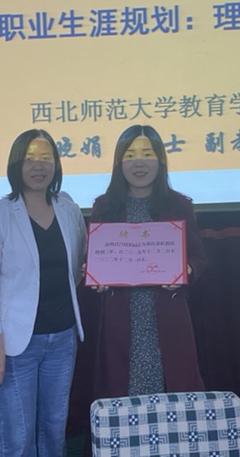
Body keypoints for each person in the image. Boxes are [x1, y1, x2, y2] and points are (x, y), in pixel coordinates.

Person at [0, 129, 86, 457]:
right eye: (30, 158)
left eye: (46, 158)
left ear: (56, 165)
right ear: (16, 165)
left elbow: (78, 267)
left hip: (62, 339)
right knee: (19, 437)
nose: (39, 165)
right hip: (14, 346)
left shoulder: (69, 209)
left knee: (54, 430)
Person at [87, 124, 208, 399]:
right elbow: (94, 257)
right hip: (122, 316)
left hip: (166, 313)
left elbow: (199, 257)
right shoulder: (104, 206)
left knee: (172, 388)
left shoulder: (178, 205)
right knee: (123, 389)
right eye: (129, 155)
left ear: (160, 160)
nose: (138, 162)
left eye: (147, 154)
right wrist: (92, 274)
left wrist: (187, 269)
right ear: (119, 163)